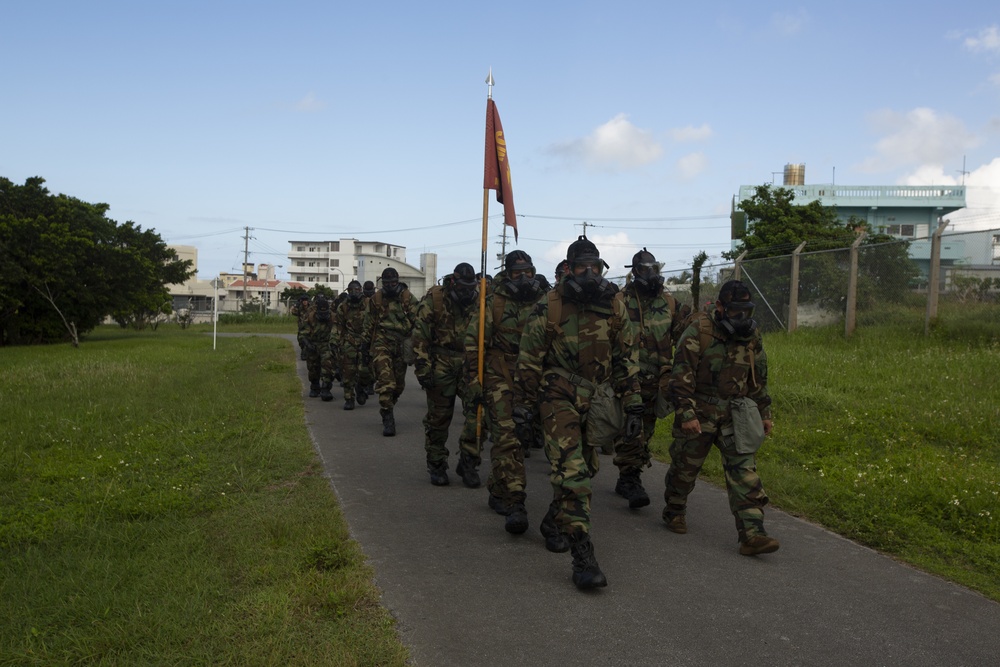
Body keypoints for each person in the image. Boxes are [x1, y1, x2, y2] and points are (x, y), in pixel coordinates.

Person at [514, 236, 642, 590]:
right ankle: (583, 557)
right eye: (582, 266)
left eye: (595, 266)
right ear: (567, 269)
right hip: (557, 396)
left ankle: (555, 521)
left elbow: (627, 358)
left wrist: (633, 405)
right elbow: (528, 362)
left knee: (585, 468)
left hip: (598, 398)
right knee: (573, 474)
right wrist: (523, 409)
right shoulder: (549, 307)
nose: (590, 272)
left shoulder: (613, 305)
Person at [663, 279, 779, 556]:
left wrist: (764, 411)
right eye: (736, 311)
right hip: (699, 412)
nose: (742, 318)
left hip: (735, 414)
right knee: (684, 469)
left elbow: (758, 377)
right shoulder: (698, 331)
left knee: (744, 472)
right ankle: (674, 509)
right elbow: (680, 377)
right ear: (720, 307)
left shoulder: (752, 336)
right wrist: (686, 413)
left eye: (747, 311)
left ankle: (753, 534)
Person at [466, 250, 545, 534]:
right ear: (507, 274)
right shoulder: (492, 302)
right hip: (501, 373)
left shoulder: (545, 301)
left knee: (525, 438)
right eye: (516, 273)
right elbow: (475, 344)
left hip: (535, 376)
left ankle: (498, 487)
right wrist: (476, 381)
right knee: (507, 437)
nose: (523, 279)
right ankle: (515, 502)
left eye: (528, 273)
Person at [612, 248, 688, 509]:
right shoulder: (620, 301)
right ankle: (630, 478)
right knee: (631, 430)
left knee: (646, 431)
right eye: (644, 270)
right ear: (634, 272)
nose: (650, 274)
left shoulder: (668, 302)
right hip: (629, 379)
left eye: (653, 269)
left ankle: (631, 473)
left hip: (658, 381)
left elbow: (684, 335)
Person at [413, 263, 481, 487]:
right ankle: (437, 463)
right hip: (441, 361)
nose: (467, 292)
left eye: (471, 287)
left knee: (479, 413)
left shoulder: (480, 300)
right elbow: (420, 336)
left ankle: (469, 460)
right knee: (438, 418)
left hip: (469, 362)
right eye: (463, 287)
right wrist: (423, 368)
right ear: (453, 282)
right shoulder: (435, 300)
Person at [365, 267, 417, 436]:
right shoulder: (376, 299)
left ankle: (388, 404)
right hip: (383, 342)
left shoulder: (407, 297)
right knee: (386, 382)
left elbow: (419, 321)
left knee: (399, 385)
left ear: (398, 281)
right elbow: (369, 323)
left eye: (393, 282)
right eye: (386, 283)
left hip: (402, 343)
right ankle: (388, 416)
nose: (390, 286)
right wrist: (364, 347)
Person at [335, 280, 370, 410]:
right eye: (351, 290)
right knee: (348, 372)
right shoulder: (343, 307)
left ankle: (361, 387)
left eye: (357, 289)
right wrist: (335, 342)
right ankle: (349, 398)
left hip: (365, 341)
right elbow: (338, 326)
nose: (354, 292)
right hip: (349, 341)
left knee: (365, 371)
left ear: (361, 290)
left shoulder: (368, 304)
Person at [303, 294, 336, 401]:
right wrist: (308, 344)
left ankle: (326, 388)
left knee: (328, 366)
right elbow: (302, 334)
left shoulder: (333, 317)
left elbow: (339, 332)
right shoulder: (310, 317)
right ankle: (314, 386)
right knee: (313, 368)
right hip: (313, 344)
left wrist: (334, 344)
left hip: (327, 344)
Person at [291, 294, 311, 360]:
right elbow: (293, 312)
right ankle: (304, 350)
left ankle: (305, 354)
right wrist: (295, 306)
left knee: (307, 341)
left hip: (309, 327)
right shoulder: (300, 308)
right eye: (303, 300)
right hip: (301, 328)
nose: (305, 302)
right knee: (301, 341)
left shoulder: (311, 308)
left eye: (306, 300)